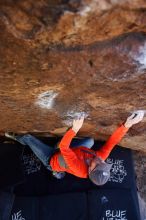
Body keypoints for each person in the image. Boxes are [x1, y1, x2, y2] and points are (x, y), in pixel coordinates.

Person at [5, 111, 144, 186]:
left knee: (29, 138)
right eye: (104, 164)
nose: (102, 161)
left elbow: (64, 147)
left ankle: (19, 139)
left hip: (52, 159)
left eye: (100, 164)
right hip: (72, 153)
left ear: (90, 170)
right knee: (89, 141)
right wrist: (127, 124)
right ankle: (60, 170)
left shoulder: (79, 168)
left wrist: (75, 129)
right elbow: (112, 143)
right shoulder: (99, 159)